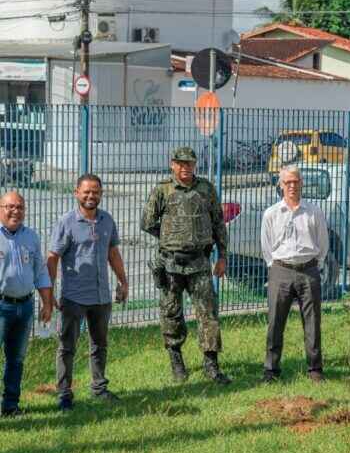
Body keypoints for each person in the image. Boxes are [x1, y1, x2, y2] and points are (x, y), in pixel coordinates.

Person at [141, 147, 230, 385]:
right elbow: (147, 222)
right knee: (171, 314)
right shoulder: (162, 190)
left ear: (195, 165)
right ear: (173, 164)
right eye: (180, 163)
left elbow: (218, 223)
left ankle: (211, 365)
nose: (185, 168)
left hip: (199, 263)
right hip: (170, 264)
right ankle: (177, 363)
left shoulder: (206, 189)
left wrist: (222, 256)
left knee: (208, 314)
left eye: (189, 164)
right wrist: (171, 236)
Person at [47, 174, 128, 412]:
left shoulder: (107, 220)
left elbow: (113, 254)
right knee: (67, 346)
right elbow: (53, 257)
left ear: (101, 194)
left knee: (100, 345)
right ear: (76, 193)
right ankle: (64, 393)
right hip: (74, 297)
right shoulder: (66, 222)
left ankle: (99, 388)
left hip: (101, 297)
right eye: (87, 192)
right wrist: (49, 293)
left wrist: (123, 282)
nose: (91, 196)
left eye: (96, 192)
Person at [260, 165, 329, 383]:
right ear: (280, 185)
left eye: (295, 182)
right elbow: (266, 245)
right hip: (280, 270)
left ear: (302, 183)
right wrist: (275, 265)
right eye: (287, 182)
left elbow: (323, 243)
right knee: (275, 322)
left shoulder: (314, 211)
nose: (292, 186)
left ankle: (314, 369)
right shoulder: (271, 213)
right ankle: (271, 370)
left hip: (308, 270)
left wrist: (314, 264)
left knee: (312, 321)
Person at [0, 192, 52, 416]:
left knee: (17, 359)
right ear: (0, 208)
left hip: (25, 307)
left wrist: (47, 303)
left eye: (20, 207)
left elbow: (40, 272)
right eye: (10, 207)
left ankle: (11, 406)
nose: (15, 211)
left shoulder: (31, 237)